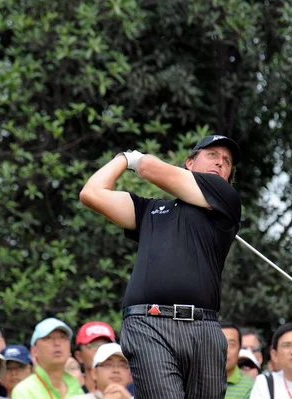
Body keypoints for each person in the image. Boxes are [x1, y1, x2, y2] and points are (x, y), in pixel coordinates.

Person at [80, 135, 242, 398]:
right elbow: (91, 194)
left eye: (226, 161)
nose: (220, 163)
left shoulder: (226, 200)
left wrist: (135, 159)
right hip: (148, 324)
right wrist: (122, 158)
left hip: (204, 329)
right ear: (189, 162)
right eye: (212, 155)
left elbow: (149, 168)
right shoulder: (150, 210)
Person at [12, 318, 83, 399]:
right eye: (48, 338)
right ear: (34, 351)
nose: (57, 343)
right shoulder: (24, 391)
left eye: (63, 337)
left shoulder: (76, 388)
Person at [73, 322, 115, 393]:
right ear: (79, 356)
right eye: (94, 346)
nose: (101, 350)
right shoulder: (70, 393)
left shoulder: (132, 391)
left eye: (106, 345)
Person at [220, 321, 253, 398]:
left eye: (231, 344)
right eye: (220, 343)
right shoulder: (196, 382)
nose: (226, 350)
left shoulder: (250, 388)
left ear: (239, 349)